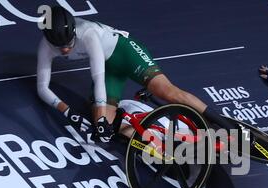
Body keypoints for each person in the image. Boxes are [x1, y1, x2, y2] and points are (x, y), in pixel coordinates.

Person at [36, 5, 233, 142]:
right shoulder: (46, 46)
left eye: (68, 43)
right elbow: (42, 88)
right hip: (109, 67)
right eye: (59, 46)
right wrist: (67, 111)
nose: (64, 50)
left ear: (73, 31)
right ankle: (164, 145)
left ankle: (225, 126)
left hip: (125, 51)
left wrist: (101, 111)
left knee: (167, 92)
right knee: (105, 129)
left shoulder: (87, 33)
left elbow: (97, 75)